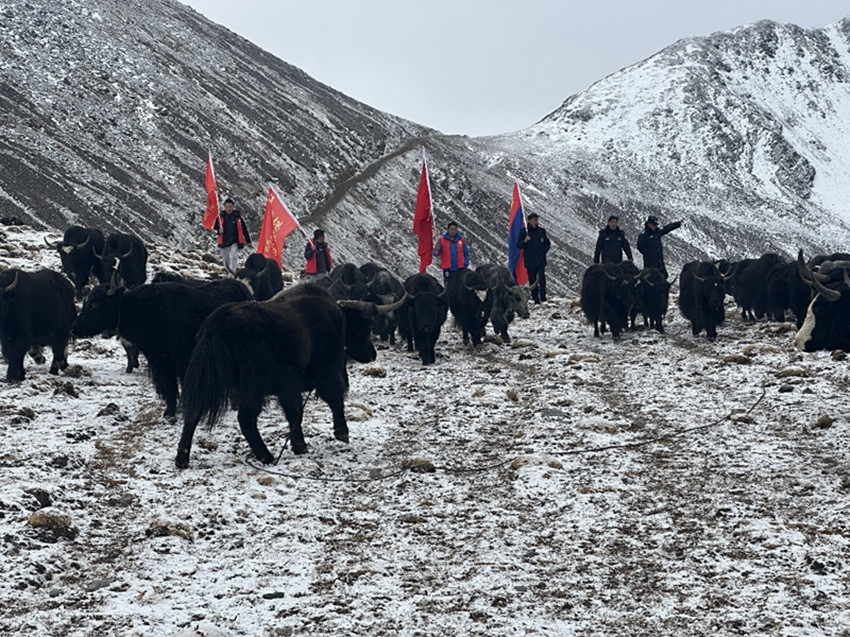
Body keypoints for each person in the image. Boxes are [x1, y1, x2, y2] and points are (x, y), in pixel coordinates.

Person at [517, 213, 551, 303]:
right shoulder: (524, 232)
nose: (536, 222)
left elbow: (547, 243)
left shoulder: (541, 231)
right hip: (530, 261)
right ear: (529, 221)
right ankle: (535, 298)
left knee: (542, 278)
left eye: (537, 220)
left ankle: (543, 297)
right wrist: (525, 241)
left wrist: (543, 251)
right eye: (534, 220)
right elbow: (519, 245)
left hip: (540, 260)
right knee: (532, 279)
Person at [213, 198, 252, 274]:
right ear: (224, 207)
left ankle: (233, 273)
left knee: (233, 256)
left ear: (233, 206)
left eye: (230, 206)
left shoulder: (237, 217)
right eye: (227, 207)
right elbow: (214, 229)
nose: (229, 209)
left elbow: (244, 229)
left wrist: (248, 241)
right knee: (226, 261)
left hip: (235, 241)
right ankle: (229, 273)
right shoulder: (220, 218)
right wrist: (218, 231)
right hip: (224, 242)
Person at [433, 221, 469, 287]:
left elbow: (466, 252)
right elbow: (436, 254)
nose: (453, 231)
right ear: (448, 230)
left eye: (455, 229)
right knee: (448, 287)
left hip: (460, 269)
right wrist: (436, 249)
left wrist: (465, 263)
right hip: (448, 269)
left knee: (460, 287)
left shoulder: (461, 240)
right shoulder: (442, 240)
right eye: (451, 229)